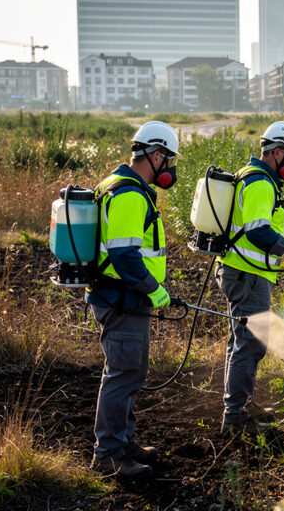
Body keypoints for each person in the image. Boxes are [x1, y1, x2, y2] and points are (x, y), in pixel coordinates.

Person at [88, 120, 180, 480]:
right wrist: (152, 288)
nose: (169, 169)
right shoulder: (128, 193)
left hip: (125, 298)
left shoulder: (120, 184)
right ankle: (109, 455)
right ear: (155, 155)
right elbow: (124, 255)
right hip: (123, 298)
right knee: (123, 374)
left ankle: (124, 442)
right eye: (168, 160)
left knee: (130, 372)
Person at [215, 120, 284, 434]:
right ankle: (236, 420)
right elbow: (258, 230)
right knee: (252, 344)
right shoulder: (260, 182)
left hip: (242, 271)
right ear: (277, 152)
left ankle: (240, 405)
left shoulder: (254, 176)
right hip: (247, 274)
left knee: (241, 341)